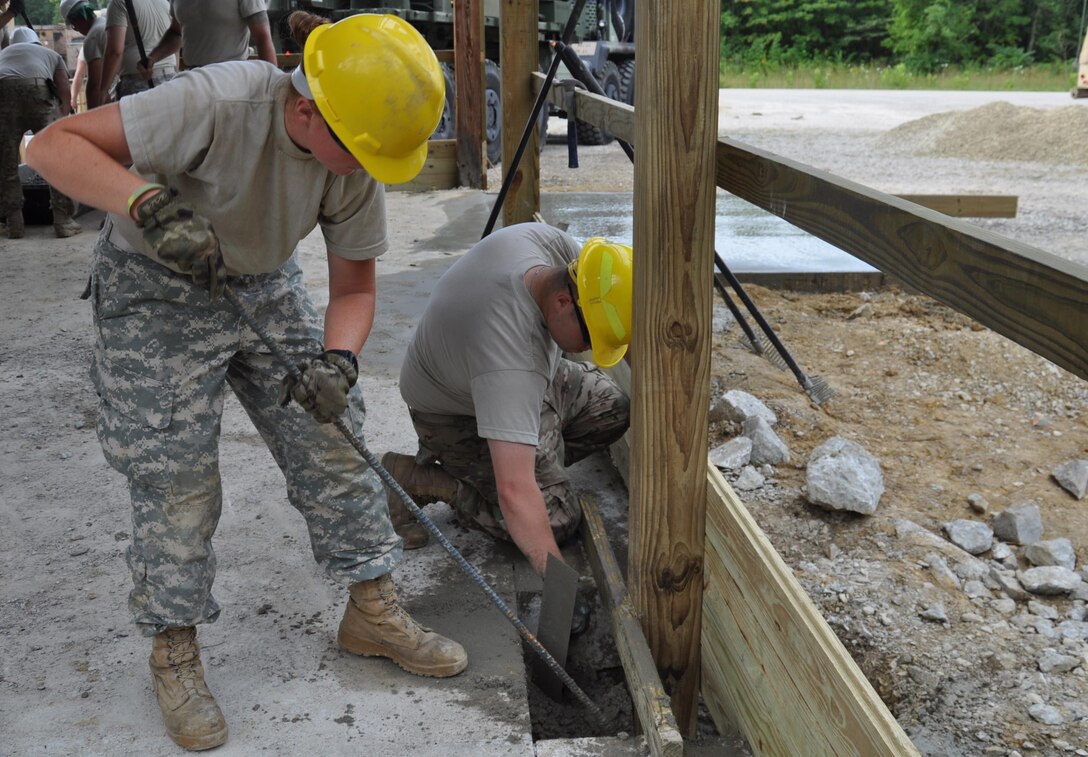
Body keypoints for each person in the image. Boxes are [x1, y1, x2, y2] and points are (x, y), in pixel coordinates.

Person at [27, 11, 458, 752]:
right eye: (357, 153)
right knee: (177, 477)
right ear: (304, 110)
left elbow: (354, 291)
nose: (361, 168)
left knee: (336, 430)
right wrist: (143, 201)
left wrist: (339, 361)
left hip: (260, 282)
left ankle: (371, 610)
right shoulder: (217, 101)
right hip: (153, 282)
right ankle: (174, 650)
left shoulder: (353, 149)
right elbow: (50, 144)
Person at [384, 223, 632, 618]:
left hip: (502, 378)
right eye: (589, 337)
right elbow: (515, 491)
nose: (589, 350)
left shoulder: (556, 251)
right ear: (565, 303)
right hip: (454, 414)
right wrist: (562, 587)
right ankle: (420, 479)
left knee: (612, 407)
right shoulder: (511, 356)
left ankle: (535, 457)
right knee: (556, 520)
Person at [0, 25, 82, 239]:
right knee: (55, 162)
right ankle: (62, 221)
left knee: (7, 164)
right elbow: (64, 92)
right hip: (38, 91)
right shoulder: (50, 53)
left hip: (3, 91)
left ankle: (14, 224)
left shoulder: (3, 54)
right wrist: (60, 125)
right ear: (35, 41)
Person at [140, 0, 277, 74]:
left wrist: (274, 85)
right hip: (194, 78)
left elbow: (263, 37)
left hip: (232, 78)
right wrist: (153, 57)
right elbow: (176, 33)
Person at [99, 0, 176, 103]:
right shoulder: (165, 3)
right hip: (170, 78)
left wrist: (103, 90)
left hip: (138, 80)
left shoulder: (118, 3)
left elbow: (114, 52)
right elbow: (175, 41)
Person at [60, 0, 113, 109]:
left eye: (74, 26)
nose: (77, 30)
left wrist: (91, 116)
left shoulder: (93, 36)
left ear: (77, 20)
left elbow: (94, 84)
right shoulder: (105, 23)